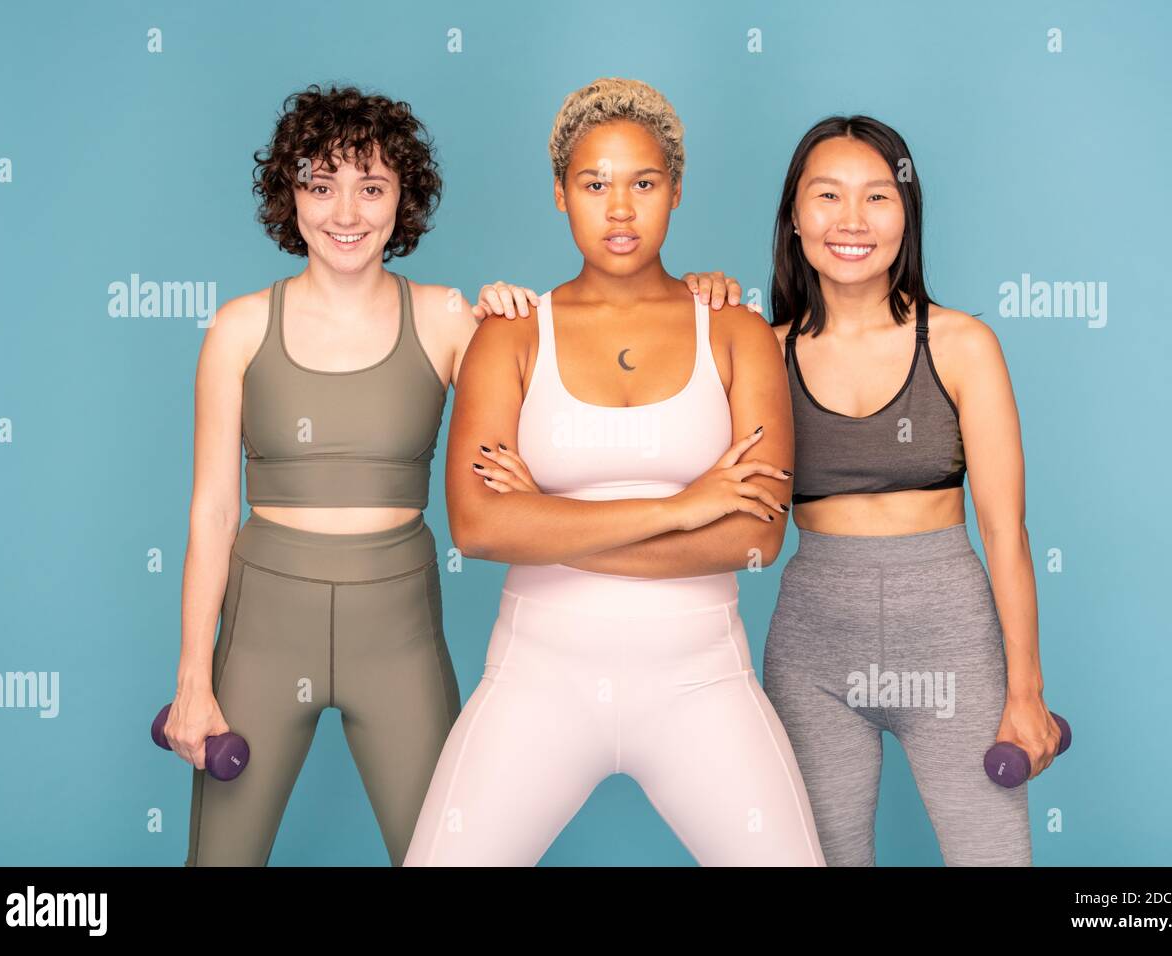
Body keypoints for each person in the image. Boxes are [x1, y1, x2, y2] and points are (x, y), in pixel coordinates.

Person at [403, 78, 825, 866]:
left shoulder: (736, 331)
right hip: (538, 682)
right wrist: (683, 506)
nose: (620, 208)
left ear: (676, 191)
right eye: (594, 184)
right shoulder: (512, 335)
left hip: (703, 684)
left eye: (644, 183)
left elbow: (757, 539)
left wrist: (547, 521)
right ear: (561, 194)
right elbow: (480, 525)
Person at [168, 84, 534, 866]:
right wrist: (194, 681)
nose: (346, 212)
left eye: (372, 187)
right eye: (321, 183)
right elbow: (210, 515)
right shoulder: (238, 327)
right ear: (289, 194)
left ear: (404, 198)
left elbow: (548, 445)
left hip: (398, 628)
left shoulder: (447, 319)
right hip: (265, 628)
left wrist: (522, 334)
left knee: (448, 858)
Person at [694, 116, 1061, 865]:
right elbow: (672, 439)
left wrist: (1025, 691)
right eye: (827, 196)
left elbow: (1005, 533)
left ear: (906, 214)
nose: (852, 221)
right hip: (813, 653)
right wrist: (695, 310)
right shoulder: (758, 351)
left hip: (952, 645)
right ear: (794, 216)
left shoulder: (962, 345)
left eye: (877, 198)